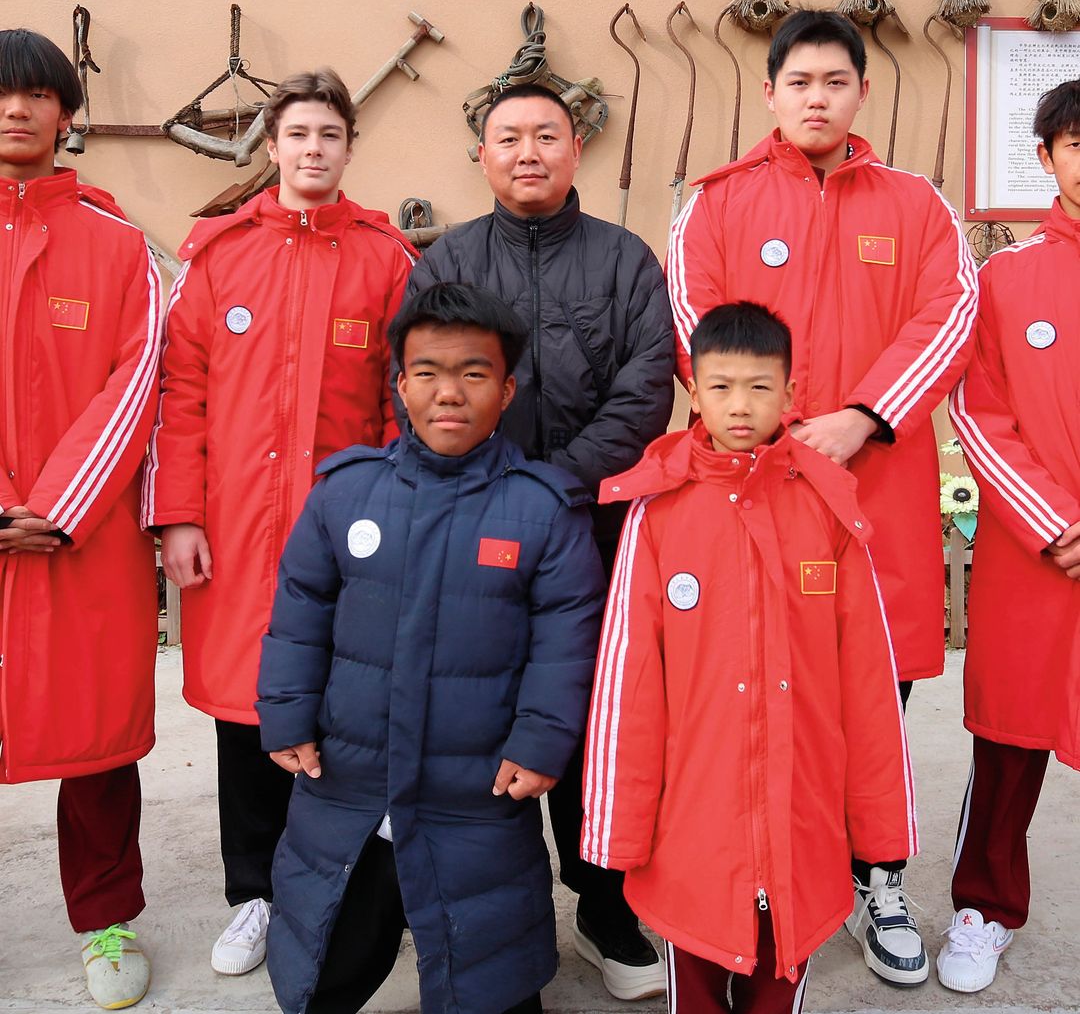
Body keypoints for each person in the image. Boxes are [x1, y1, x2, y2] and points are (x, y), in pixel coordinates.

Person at [666, 8, 979, 985]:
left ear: (860, 93)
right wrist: (759, 423)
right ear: (769, 93)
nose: (816, 97)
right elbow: (694, 319)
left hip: (873, 487)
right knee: (750, 687)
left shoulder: (915, 206)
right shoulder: (713, 205)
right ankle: (758, 874)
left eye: (834, 82)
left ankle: (877, 875)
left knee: (874, 691)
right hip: (746, 486)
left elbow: (951, 311)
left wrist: (862, 416)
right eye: (798, 82)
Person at [256, 282, 606, 1014]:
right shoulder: (345, 493)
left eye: (474, 374)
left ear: (507, 390)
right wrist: (284, 711)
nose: (450, 393)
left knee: (489, 962)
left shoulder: (543, 510)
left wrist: (543, 739)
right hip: (347, 778)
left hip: (474, 792)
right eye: (428, 373)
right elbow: (301, 609)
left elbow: (565, 642)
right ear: (399, 385)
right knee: (327, 949)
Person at [142, 68, 416, 976]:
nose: (311, 150)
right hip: (234, 531)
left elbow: (401, 405)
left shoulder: (386, 258)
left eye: (329, 136)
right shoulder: (217, 256)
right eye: (296, 135)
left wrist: (393, 524)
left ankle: (333, 883)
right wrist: (177, 516)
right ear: (272, 148)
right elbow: (181, 394)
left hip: (345, 539)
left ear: (348, 149)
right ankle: (253, 893)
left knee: (339, 712)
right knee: (243, 713)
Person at [403, 82, 674, 1000]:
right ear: (482, 155)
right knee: (478, 718)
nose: (528, 152)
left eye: (546, 136)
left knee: (588, 722)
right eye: (508, 137)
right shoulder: (446, 262)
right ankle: (491, 919)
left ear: (575, 150)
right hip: (471, 528)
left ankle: (603, 907)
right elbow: (419, 386)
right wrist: (497, 492)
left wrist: (557, 484)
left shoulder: (627, 261)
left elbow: (645, 389)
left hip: (595, 528)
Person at [581, 301, 917, 1013]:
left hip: (804, 811)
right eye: (722, 387)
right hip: (693, 819)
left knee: (782, 974)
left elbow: (867, 682)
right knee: (696, 985)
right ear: (693, 392)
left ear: (792, 395)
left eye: (761, 387)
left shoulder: (828, 505)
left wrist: (879, 825)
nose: (741, 405)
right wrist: (619, 826)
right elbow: (628, 680)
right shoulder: (659, 509)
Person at [0, 28, 161, 1009]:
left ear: (67, 115)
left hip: (80, 542)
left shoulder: (118, 244)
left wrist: (57, 507)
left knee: (95, 748)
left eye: (35, 94)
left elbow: (138, 381)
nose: (15, 108)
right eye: (0, 93)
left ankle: (106, 918)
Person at [939, 79, 1080, 994]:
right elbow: (976, 409)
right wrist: (1057, 524)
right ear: (1047, 158)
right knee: (1009, 746)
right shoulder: (1006, 277)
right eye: (1078, 143)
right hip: (1041, 557)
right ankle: (984, 910)